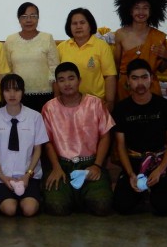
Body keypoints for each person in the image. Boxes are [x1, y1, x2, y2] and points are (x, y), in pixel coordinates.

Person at [41, 62, 114, 216]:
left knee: (102, 205)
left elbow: (105, 136)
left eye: (71, 78)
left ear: (79, 80)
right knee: (56, 207)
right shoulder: (49, 108)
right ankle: (72, 196)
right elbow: (47, 142)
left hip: (90, 164)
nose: (67, 84)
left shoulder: (95, 103)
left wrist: (97, 165)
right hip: (62, 165)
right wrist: (56, 167)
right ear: (56, 84)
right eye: (61, 80)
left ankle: (84, 195)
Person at [112, 59, 167, 216]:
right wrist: (130, 174)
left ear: (151, 79)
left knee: (166, 207)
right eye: (135, 78)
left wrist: (160, 170)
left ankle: (159, 189)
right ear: (128, 81)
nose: (140, 83)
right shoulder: (121, 109)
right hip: (134, 163)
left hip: (159, 162)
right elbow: (121, 146)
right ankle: (140, 193)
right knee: (121, 206)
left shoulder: (165, 107)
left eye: (144, 77)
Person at [0, 74, 48, 217]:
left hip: (28, 176)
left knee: (29, 209)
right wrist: (2, 177)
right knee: (9, 209)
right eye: (7, 90)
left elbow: (38, 149)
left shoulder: (35, 117)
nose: (12, 94)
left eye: (16, 90)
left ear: (23, 91)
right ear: (2, 92)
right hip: (2, 176)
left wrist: (28, 175)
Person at [113, 0, 167, 101]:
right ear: (130, 11)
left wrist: (166, 57)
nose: (141, 12)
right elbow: (116, 67)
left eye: (145, 8)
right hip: (125, 87)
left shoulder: (158, 37)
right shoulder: (120, 34)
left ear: (151, 11)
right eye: (137, 8)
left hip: (150, 86)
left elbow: (162, 69)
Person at [57, 8, 117, 112]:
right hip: (68, 104)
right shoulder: (61, 48)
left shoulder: (102, 46)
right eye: (74, 23)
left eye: (82, 23)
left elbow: (110, 76)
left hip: (96, 104)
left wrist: (110, 102)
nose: (78, 26)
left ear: (90, 25)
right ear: (69, 27)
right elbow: (56, 78)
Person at [4, 2, 59, 113]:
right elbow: (7, 70)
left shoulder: (47, 38)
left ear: (38, 18)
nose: (29, 20)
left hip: (45, 94)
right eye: (24, 16)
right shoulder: (10, 40)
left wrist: (57, 98)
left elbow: (54, 70)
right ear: (19, 19)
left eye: (33, 16)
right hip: (18, 95)